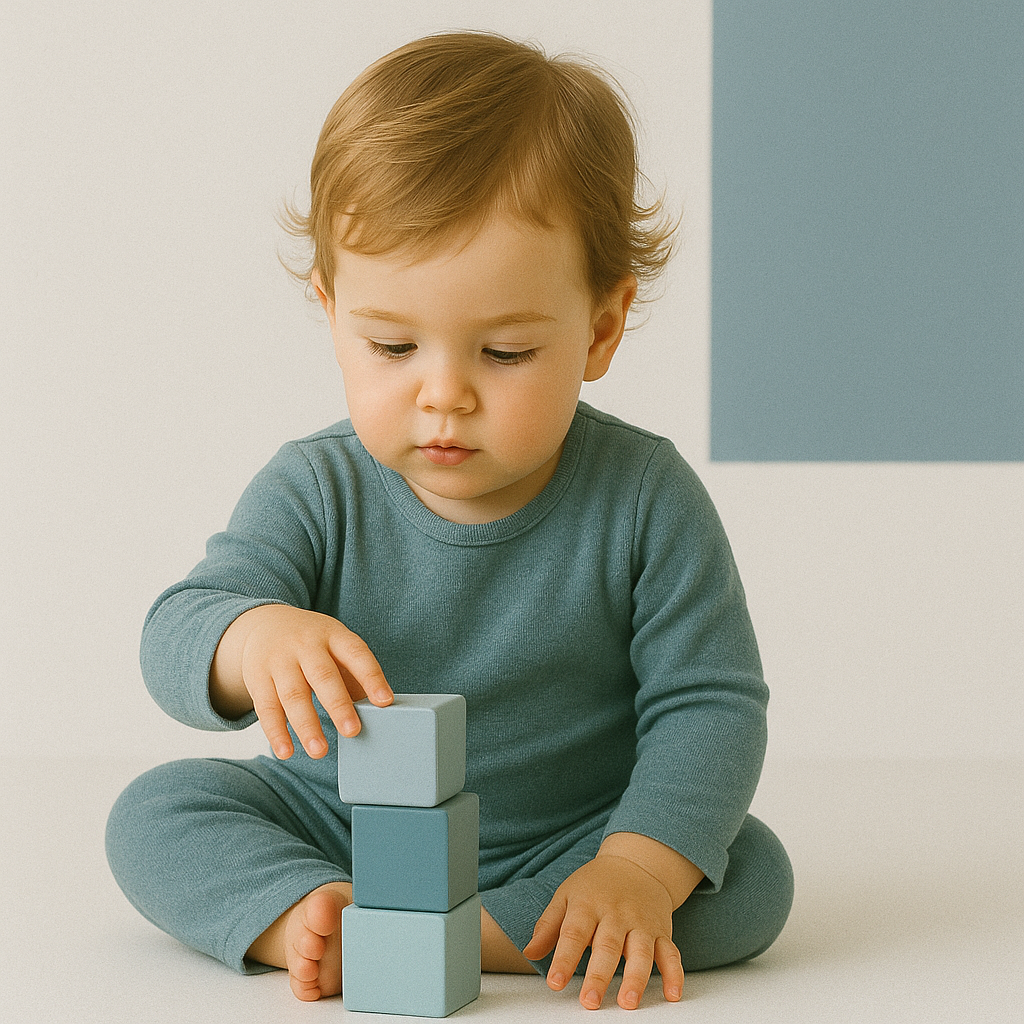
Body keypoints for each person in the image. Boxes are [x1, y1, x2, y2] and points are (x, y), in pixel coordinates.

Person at [105, 30, 793, 1012]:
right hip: (340, 819)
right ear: (331, 308)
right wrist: (248, 634)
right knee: (154, 812)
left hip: (570, 833)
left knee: (749, 876)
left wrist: (637, 867)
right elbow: (180, 625)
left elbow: (710, 706)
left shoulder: (645, 495)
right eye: (390, 344)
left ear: (598, 329)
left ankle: (472, 936)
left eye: (504, 352)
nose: (443, 396)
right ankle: (306, 912)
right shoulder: (316, 486)